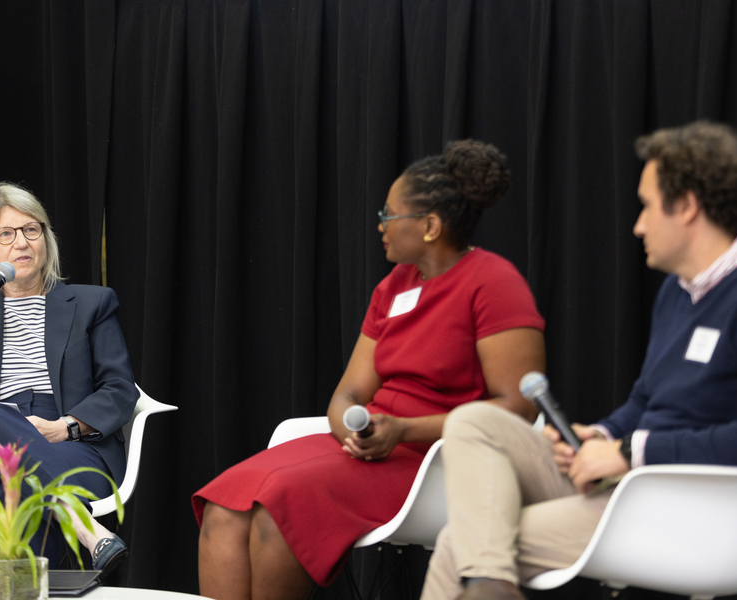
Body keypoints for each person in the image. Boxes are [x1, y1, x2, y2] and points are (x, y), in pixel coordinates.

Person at [420, 121, 737, 600]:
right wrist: (605, 434)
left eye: (647, 206)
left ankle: (490, 584)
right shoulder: (677, 293)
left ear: (688, 207)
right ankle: (492, 584)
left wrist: (630, 451)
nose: (637, 225)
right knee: (473, 422)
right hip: (627, 480)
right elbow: (644, 401)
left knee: (456, 546)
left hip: (686, 505)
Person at [193, 140, 547, 600]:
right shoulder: (393, 287)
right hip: (372, 447)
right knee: (225, 502)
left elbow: (516, 408)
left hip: (439, 459)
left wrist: (403, 430)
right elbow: (348, 394)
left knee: (279, 508)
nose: (379, 225)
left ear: (430, 226)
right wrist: (353, 432)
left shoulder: (494, 282)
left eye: (389, 216)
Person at [0, 182, 139, 577]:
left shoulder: (91, 303)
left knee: (26, 494)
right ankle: (87, 529)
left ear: (45, 239)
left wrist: (63, 428)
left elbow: (120, 391)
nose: (22, 242)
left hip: (70, 445)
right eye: (5, 233)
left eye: (31, 230)